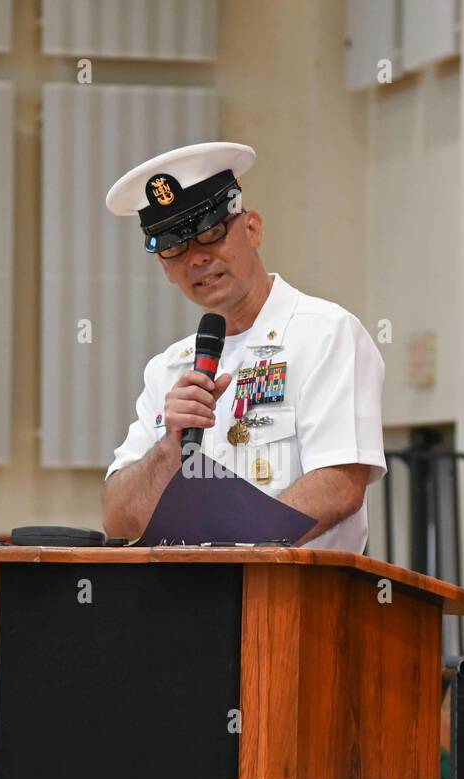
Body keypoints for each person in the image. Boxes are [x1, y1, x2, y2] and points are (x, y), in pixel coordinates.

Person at [100, 142, 386, 552]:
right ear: (164, 266)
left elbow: (339, 486)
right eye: (175, 246)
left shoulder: (325, 334)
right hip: (192, 602)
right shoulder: (168, 368)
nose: (197, 258)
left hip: (294, 603)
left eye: (210, 233)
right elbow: (118, 519)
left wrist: (231, 558)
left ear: (252, 228)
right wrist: (169, 449)